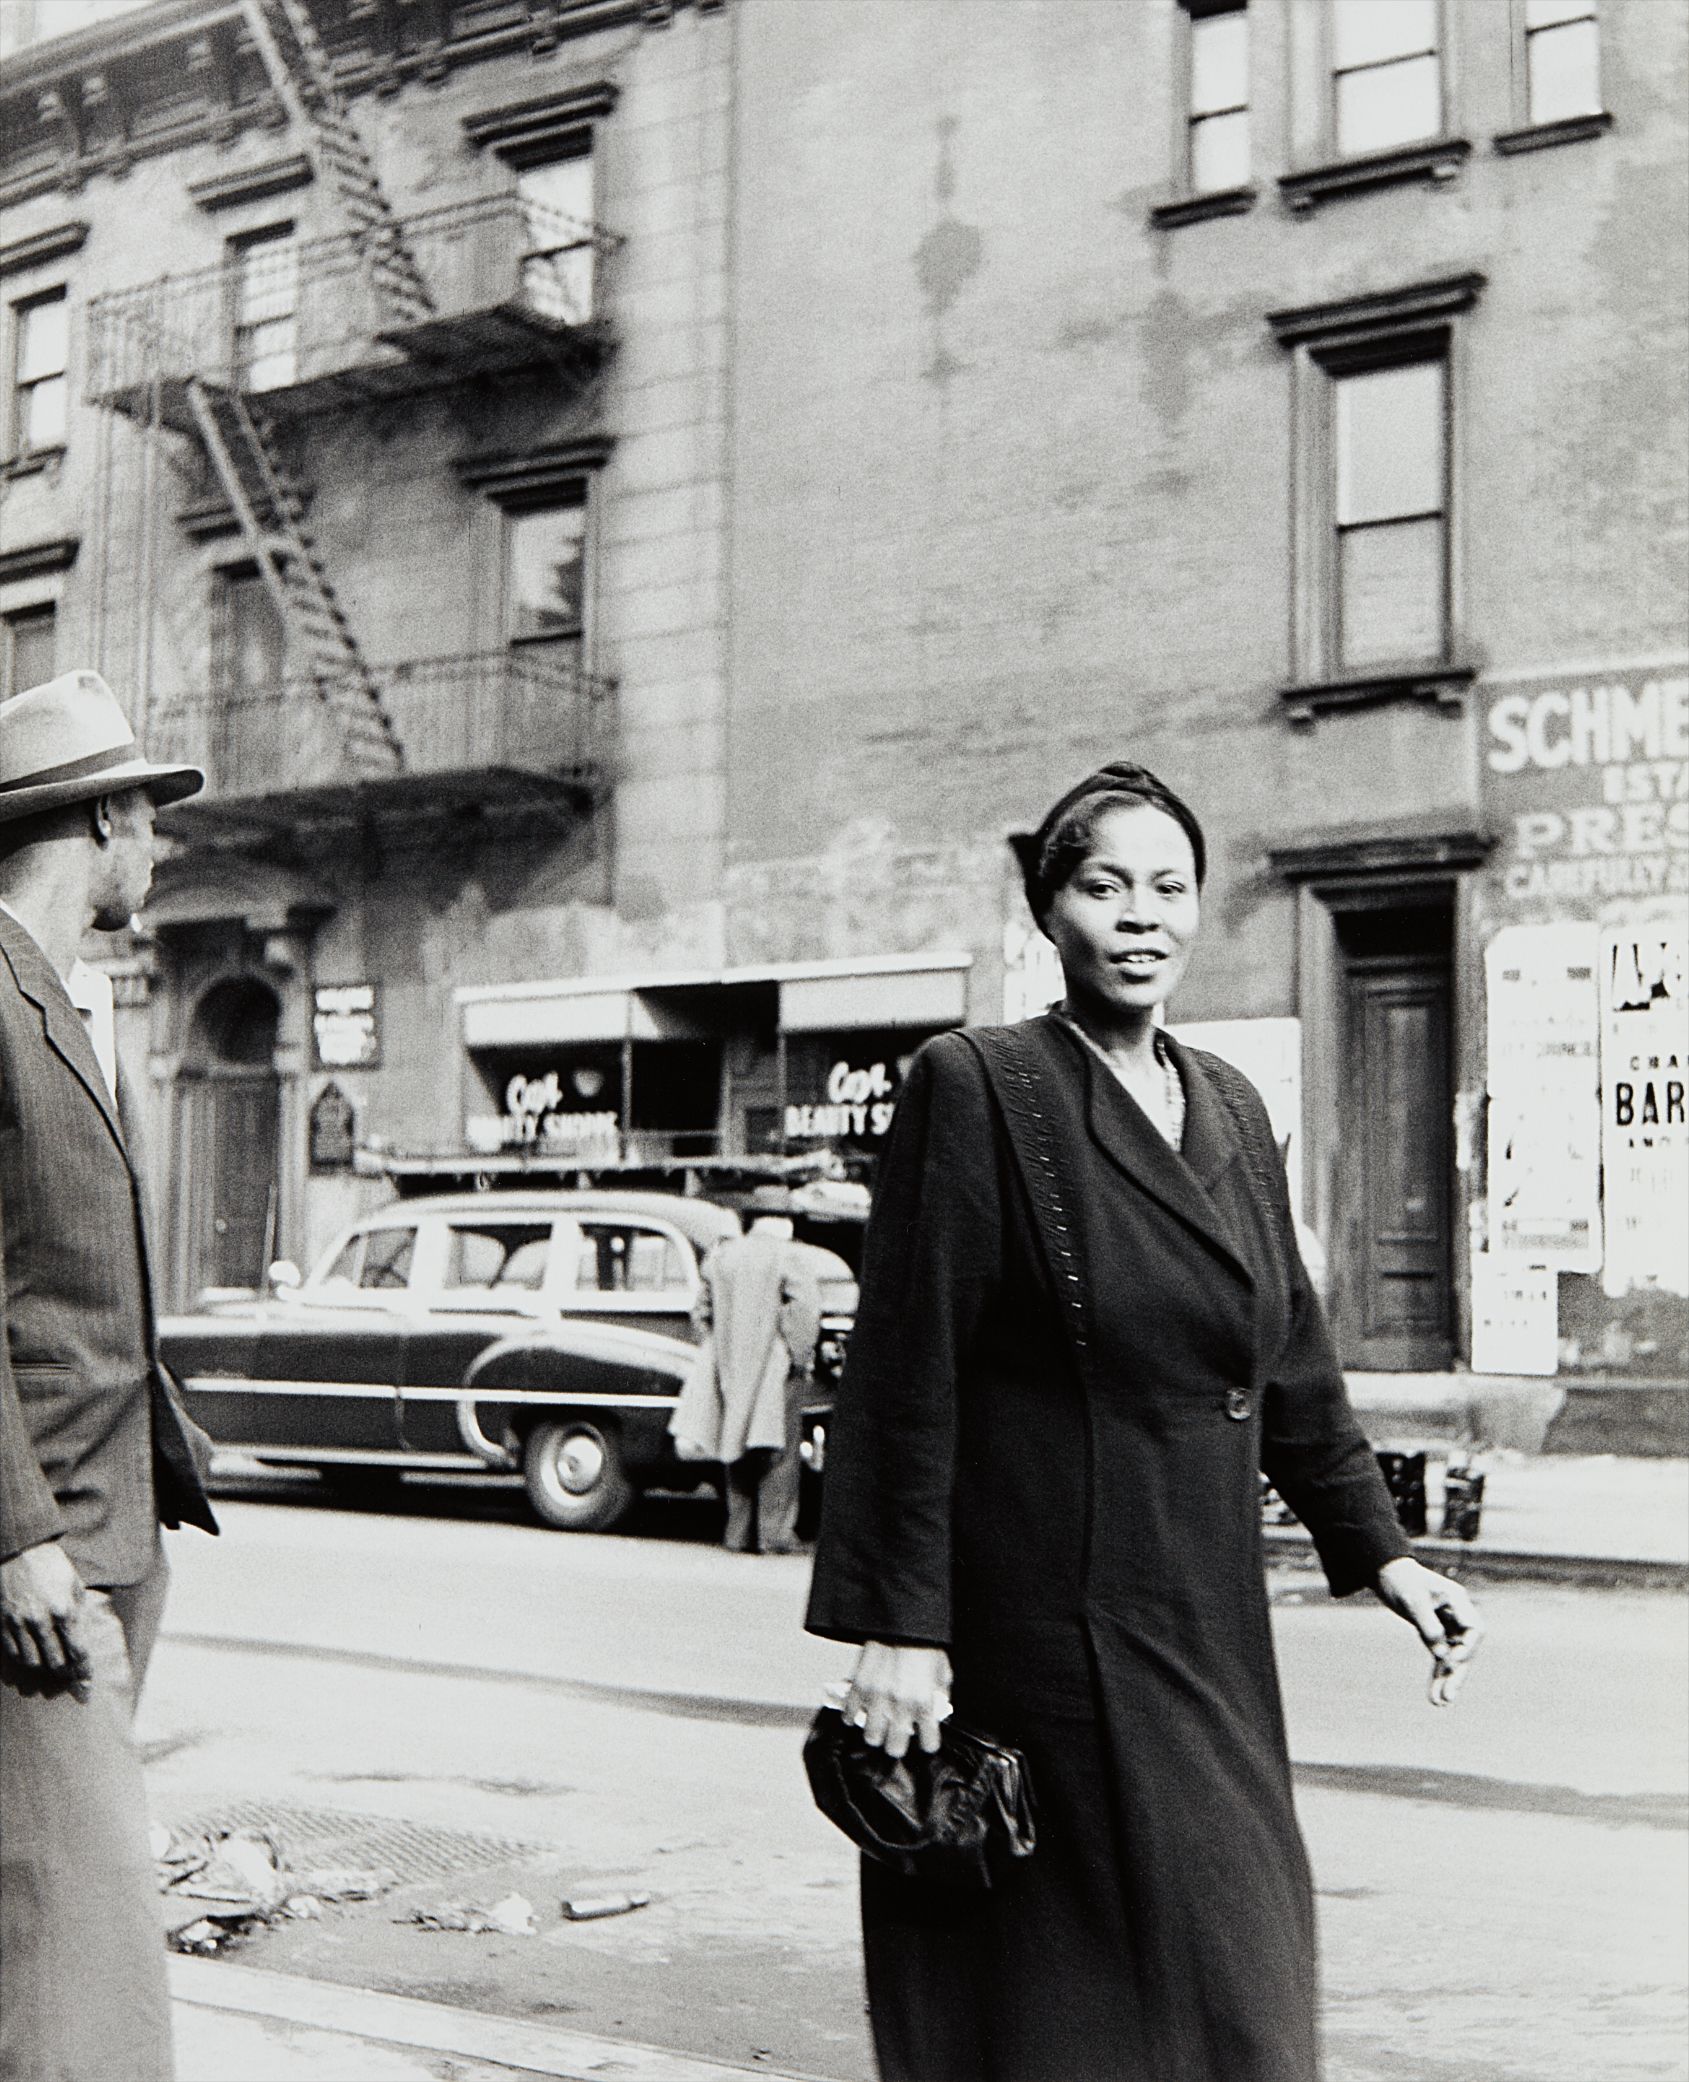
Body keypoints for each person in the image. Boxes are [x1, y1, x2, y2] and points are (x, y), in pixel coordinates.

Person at [805, 761, 1483, 2082]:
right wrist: (898, 1626)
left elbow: (1288, 1350)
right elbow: (904, 1371)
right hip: (1041, 1623)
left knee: (1237, 1964)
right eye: (1103, 884)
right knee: (1062, 1991)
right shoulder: (980, 1083)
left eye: (1168, 886)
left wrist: (1384, 1549)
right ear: (1048, 910)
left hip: (1202, 1614)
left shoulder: (1230, 1099)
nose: (1140, 915)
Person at [0, 670, 220, 2082]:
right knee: (88, 1955)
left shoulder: (69, 1010)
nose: (163, 852)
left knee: (36, 1913)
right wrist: (16, 1533)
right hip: (44, 1551)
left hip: (107, 1529)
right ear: (106, 819)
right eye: (151, 819)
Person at [673, 1187, 822, 1553]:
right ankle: (774, 1535)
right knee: (778, 1450)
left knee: (734, 1442)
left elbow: (700, 1313)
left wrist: (718, 1347)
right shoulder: (789, 1257)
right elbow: (805, 1311)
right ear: (783, 1222)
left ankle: (736, 1534)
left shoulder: (722, 1256)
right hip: (775, 1368)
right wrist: (798, 1357)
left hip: (729, 1367)